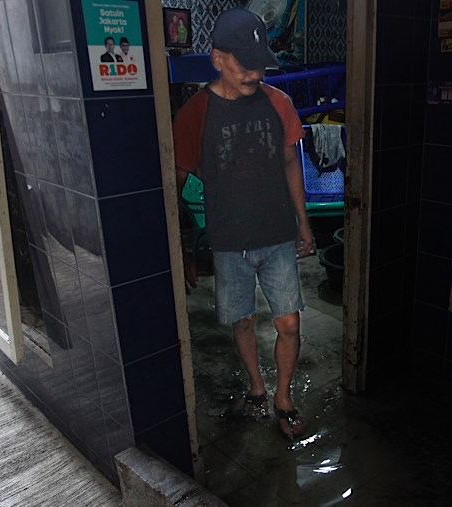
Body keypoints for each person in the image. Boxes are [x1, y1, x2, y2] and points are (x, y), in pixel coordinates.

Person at [172, 8, 312, 439]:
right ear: (218, 59)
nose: (254, 72)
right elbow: (174, 184)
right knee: (244, 321)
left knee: (289, 322)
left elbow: (291, 162)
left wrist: (303, 224)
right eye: (243, 63)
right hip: (230, 242)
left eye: (259, 63)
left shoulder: (278, 103)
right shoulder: (196, 113)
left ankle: (282, 396)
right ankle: (256, 386)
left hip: (276, 236)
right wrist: (182, 246)